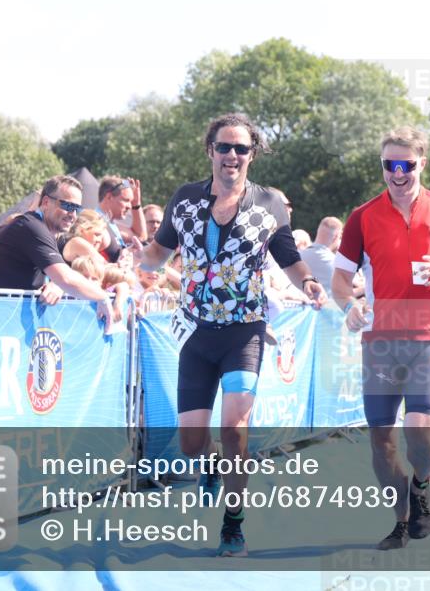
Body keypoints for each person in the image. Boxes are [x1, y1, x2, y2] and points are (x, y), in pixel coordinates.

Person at [138, 113, 326, 557]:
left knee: (236, 426)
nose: (232, 156)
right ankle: (210, 465)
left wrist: (309, 283)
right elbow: (159, 251)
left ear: (252, 155)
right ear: (210, 152)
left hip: (245, 331)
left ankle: (233, 524)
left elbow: (288, 256)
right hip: (195, 333)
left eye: (241, 149)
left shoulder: (269, 205)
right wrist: (140, 261)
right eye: (224, 147)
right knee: (190, 444)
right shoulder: (184, 200)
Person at [331, 126, 430, 551]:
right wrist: (350, 307)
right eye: (389, 165)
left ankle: (422, 483)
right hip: (380, 341)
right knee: (381, 442)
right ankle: (401, 521)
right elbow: (340, 279)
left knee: (422, 434)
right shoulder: (363, 216)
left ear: (422, 164)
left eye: (407, 165)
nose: (398, 174)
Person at [0, 176, 120, 328]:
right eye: (67, 206)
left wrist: (58, 285)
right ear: (45, 202)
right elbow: (65, 278)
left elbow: (65, 277)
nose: (73, 214)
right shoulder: (32, 227)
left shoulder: (47, 231)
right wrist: (103, 297)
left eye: (77, 208)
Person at [97, 175, 146, 255]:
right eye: (126, 200)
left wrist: (136, 203)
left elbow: (140, 237)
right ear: (109, 197)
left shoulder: (111, 224)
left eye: (131, 202)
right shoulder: (93, 221)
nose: (130, 206)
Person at [299, 216, 344, 295]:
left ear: (318, 231)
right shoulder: (337, 262)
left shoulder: (297, 257)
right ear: (336, 236)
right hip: (327, 304)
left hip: (300, 303)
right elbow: (346, 293)